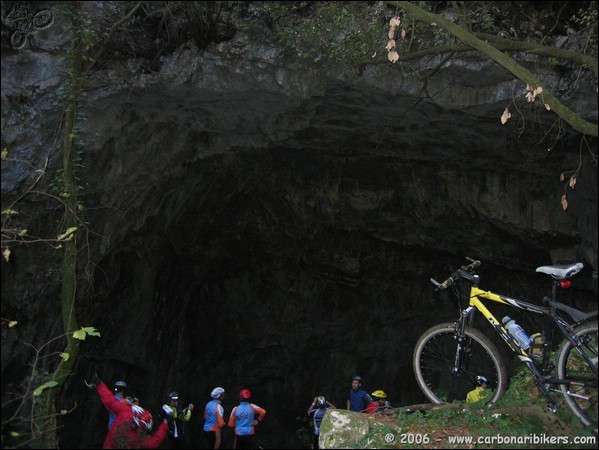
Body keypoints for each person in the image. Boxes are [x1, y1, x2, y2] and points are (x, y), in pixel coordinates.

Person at [87, 373, 169, 449]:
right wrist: (165, 424)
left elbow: (110, 401)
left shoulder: (126, 411)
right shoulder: (140, 439)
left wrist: (100, 385)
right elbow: (155, 441)